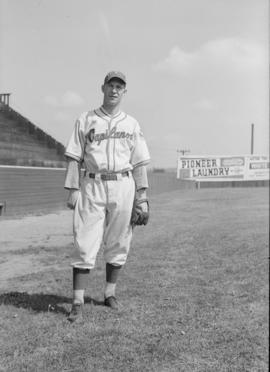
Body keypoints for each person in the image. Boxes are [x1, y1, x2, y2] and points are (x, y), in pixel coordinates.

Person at [64, 71, 150, 322]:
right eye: (110, 85)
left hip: (124, 184)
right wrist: (72, 189)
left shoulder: (131, 123)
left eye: (119, 87)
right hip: (92, 183)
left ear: (124, 92)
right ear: (102, 88)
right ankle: (78, 301)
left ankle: (109, 294)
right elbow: (73, 156)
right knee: (84, 239)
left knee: (120, 240)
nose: (114, 90)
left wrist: (142, 196)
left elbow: (139, 163)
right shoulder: (86, 119)